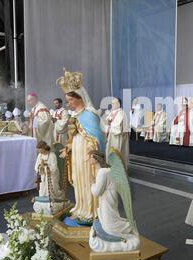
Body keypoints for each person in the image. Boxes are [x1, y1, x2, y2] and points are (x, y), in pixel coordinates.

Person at [57, 70, 106, 225]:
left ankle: (90, 210)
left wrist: (94, 153)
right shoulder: (75, 116)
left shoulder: (89, 115)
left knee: (88, 180)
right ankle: (81, 207)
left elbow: (96, 138)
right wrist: (68, 148)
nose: (68, 103)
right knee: (79, 181)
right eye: (67, 100)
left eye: (70, 100)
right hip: (77, 155)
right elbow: (74, 136)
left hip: (86, 156)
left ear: (79, 98)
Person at [89, 149, 140, 253]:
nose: (88, 160)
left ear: (96, 158)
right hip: (110, 197)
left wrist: (92, 184)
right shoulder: (107, 169)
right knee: (109, 221)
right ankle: (127, 225)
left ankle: (129, 226)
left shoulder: (102, 172)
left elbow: (97, 192)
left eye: (90, 157)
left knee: (109, 226)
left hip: (107, 199)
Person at [33, 141, 66, 215]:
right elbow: (36, 167)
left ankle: (54, 199)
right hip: (43, 177)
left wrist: (44, 166)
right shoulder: (40, 155)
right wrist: (40, 167)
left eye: (40, 149)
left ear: (44, 148)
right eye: (38, 150)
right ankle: (43, 200)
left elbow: (54, 168)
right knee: (43, 188)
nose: (39, 151)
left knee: (53, 187)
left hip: (52, 176)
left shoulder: (52, 155)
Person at [104, 98, 130, 168]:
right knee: (110, 150)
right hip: (111, 135)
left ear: (118, 104)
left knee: (117, 151)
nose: (112, 105)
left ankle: (117, 168)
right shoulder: (112, 112)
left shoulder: (121, 113)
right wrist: (107, 122)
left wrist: (110, 123)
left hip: (118, 136)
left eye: (114, 103)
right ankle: (110, 165)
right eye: (112, 103)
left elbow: (118, 125)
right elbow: (106, 121)